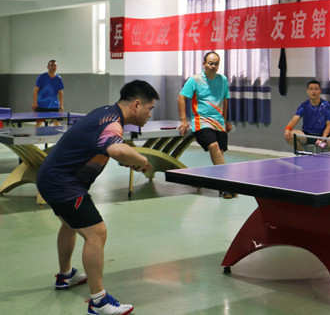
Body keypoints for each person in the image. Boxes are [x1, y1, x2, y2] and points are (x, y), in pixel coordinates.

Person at [36, 80, 159, 315]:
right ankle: (99, 302)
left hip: (51, 177)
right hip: (63, 183)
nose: (150, 114)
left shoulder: (106, 112)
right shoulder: (112, 123)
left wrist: (128, 159)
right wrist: (143, 160)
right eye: (149, 108)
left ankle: (65, 275)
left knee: (70, 224)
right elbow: (117, 149)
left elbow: (105, 148)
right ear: (136, 104)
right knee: (96, 232)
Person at [177, 51, 234, 198]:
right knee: (214, 147)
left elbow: (225, 100)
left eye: (216, 64)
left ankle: (215, 184)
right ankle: (228, 186)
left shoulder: (223, 80)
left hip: (219, 122)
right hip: (201, 121)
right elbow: (181, 98)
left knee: (219, 154)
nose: (213, 66)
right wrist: (183, 120)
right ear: (204, 64)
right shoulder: (195, 80)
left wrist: (225, 120)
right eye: (210, 63)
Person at [284, 80, 330, 151]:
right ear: (307, 91)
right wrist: (287, 129)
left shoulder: (326, 106)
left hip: (323, 136)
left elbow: (329, 125)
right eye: (311, 89)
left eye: (316, 89)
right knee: (290, 135)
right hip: (307, 136)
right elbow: (294, 120)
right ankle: (302, 154)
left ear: (320, 91)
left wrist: (323, 139)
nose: (313, 92)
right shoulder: (304, 105)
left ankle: (327, 157)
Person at [32, 59, 64, 125]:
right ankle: (37, 132)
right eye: (51, 65)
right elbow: (36, 90)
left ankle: (58, 133)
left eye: (55, 65)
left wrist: (61, 104)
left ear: (56, 67)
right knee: (39, 123)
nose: (53, 67)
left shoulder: (58, 78)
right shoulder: (41, 77)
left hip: (54, 105)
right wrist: (34, 103)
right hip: (42, 105)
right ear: (48, 67)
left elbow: (60, 92)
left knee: (57, 123)